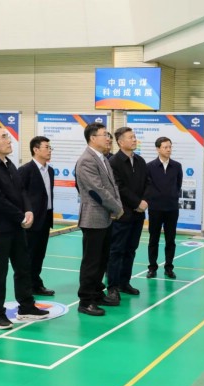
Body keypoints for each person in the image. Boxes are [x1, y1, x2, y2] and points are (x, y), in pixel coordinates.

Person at [0, 125, 49, 329]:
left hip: (17, 226)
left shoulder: (9, 164)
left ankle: (26, 307)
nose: (9, 140)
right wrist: (20, 216)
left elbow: (21, 190)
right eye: (4, 137)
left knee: (23, 267)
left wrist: (28, 210)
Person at [75, 122, 123, 316]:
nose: (108, 138)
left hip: (106, 216)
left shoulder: (102, 158)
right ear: (93, 138)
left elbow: (113, 187)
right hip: (93, 217)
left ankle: (96, 293)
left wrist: (116, 206)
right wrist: (117, 208)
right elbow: (97, 191)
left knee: (102, 260)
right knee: (91, 262)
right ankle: (86, 301)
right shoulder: (86, 160)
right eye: (105, 135)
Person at [107, 127, 148, 298]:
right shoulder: (114, 162)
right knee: (117, 250)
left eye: (135, 137)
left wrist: (144, 202)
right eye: (130, 137)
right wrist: (137, 203)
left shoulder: (140, 161)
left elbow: (147, 183)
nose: (134, 140)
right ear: (120, 142)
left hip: (138, 214)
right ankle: (113, 286)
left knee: (131, 249)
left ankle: (125, 283)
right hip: (122, 214)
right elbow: (118, 187)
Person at [18, 136, 56, 296]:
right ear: (35, 149)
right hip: (32, 220)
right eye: (46, 147)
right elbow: (19, 195)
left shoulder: (50, 170)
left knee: (40, 254)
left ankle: (36, 283)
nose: (49, 150)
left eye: (50, 148)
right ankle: (26, 286)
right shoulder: (25, 170)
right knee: (29, 255)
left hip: (46, 218)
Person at [145, 137, 182, 279]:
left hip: (172, 209)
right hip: (155, 208)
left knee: (170, 240)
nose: (168, 150)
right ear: (158, 149)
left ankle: (169, 267)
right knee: (153, 239)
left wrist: (172, 196)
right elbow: (147, 186)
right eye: (165, 147)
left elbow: (178, 185)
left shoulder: (177, 166)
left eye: (170, 147)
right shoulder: (149, 167)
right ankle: (152, 267)